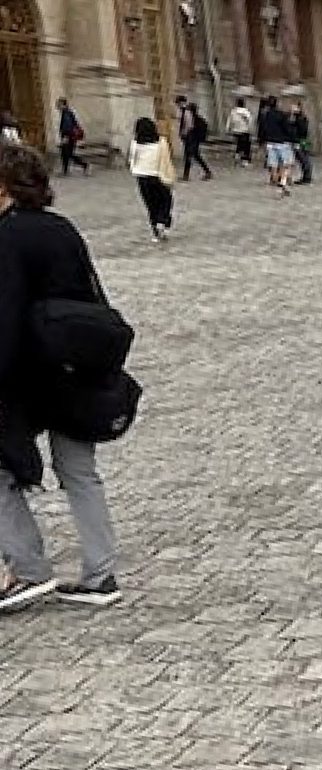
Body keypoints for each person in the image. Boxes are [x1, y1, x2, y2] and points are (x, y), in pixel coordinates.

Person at [0, 143, 125, 612]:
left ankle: (28, 571)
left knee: (2, 469)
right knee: (79, 471)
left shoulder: (6, 237)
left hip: (29, 375)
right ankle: (101, 574)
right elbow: (92, 295)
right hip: (76, 366)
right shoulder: (61, 228)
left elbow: (6, 316)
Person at [127, 117, 175, 241]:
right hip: (156, 175)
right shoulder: (161, 142)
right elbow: (165, 159)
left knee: (151, 204)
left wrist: (135, 170)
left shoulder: (135, 143)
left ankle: (156, 231)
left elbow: (132, 159)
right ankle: (162, 222)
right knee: (165, 200)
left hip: (141, 176)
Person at [258, 96, 295, 195]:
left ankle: (276, 182)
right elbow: (286, 128)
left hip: (270, 142)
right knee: (287, 164)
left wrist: (261, 141)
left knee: (273, 165)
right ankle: (282, 184)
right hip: (282, 142)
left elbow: (261, 129)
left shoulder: (264, 116)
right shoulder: (281, 115)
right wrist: (292, 138)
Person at [175, 96, 213, 180]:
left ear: (181, 102)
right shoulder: (186, 111)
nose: (177, 106)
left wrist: (183, 134)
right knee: (195, 155)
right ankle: (207, 172)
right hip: (191, 137)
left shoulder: (186, 112)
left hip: (190, 137)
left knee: (189, 155)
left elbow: (189, 125)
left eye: (178, 103)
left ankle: (187, 176)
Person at [56, 99, 91, 177]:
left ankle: (84, 165)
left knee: (68, 154)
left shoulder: (66, 113)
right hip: (70, 137)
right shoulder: (67, 112)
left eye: (59, 104)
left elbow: (67, 126)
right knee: (65, 154)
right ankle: (65, 170)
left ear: (63, 105)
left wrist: (66, 137)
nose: (57, 106)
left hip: (69, 137)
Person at [288, 101, 313, 184]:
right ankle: (307, 176)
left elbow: (300, 130)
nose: (292, 109)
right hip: (304, 140)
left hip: (301, 140)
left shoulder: (299, 119)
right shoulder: (301, 118)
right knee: (304, 158)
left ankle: (307, 176)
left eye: (294, 107)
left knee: (303, 158)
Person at [226, 97, 253, 166]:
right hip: (245, 131)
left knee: (239, 143)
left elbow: (229, 121)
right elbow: (250, 121)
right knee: (246, 146)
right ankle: (244, 160)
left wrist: (228, 129)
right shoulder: (246, 112)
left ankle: (237, 155)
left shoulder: (233, 111)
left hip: (236, 130)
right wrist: (250, 129)